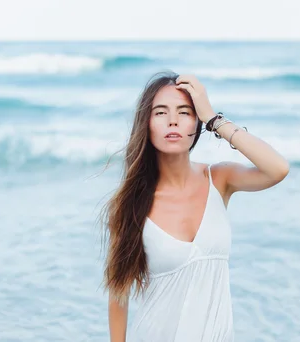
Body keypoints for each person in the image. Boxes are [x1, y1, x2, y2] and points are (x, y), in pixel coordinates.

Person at [99, 71, 290, 342]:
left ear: (197, 123)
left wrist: (214, 119)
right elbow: (118, 295)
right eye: (161, 112)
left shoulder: (219, 179)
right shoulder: (129, 204)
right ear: (147, 124)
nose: (173, 120)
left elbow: (278, 169)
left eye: (185, 112)